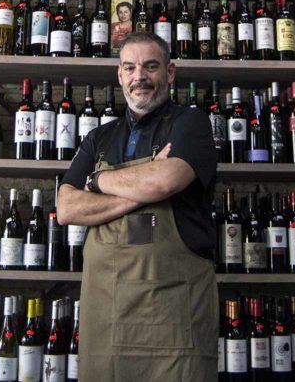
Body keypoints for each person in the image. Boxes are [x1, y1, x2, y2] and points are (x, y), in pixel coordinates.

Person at [58, 31, 218, 381]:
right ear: (119, 75)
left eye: (150, 66)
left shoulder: (191, 124)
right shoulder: (99, 137)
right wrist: (140, 188)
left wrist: (97, 182)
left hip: (175, 315)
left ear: (170, 72)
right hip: (107, 313)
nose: (139, 77)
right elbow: (67, 207)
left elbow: (164, 182)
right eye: (129, 67)